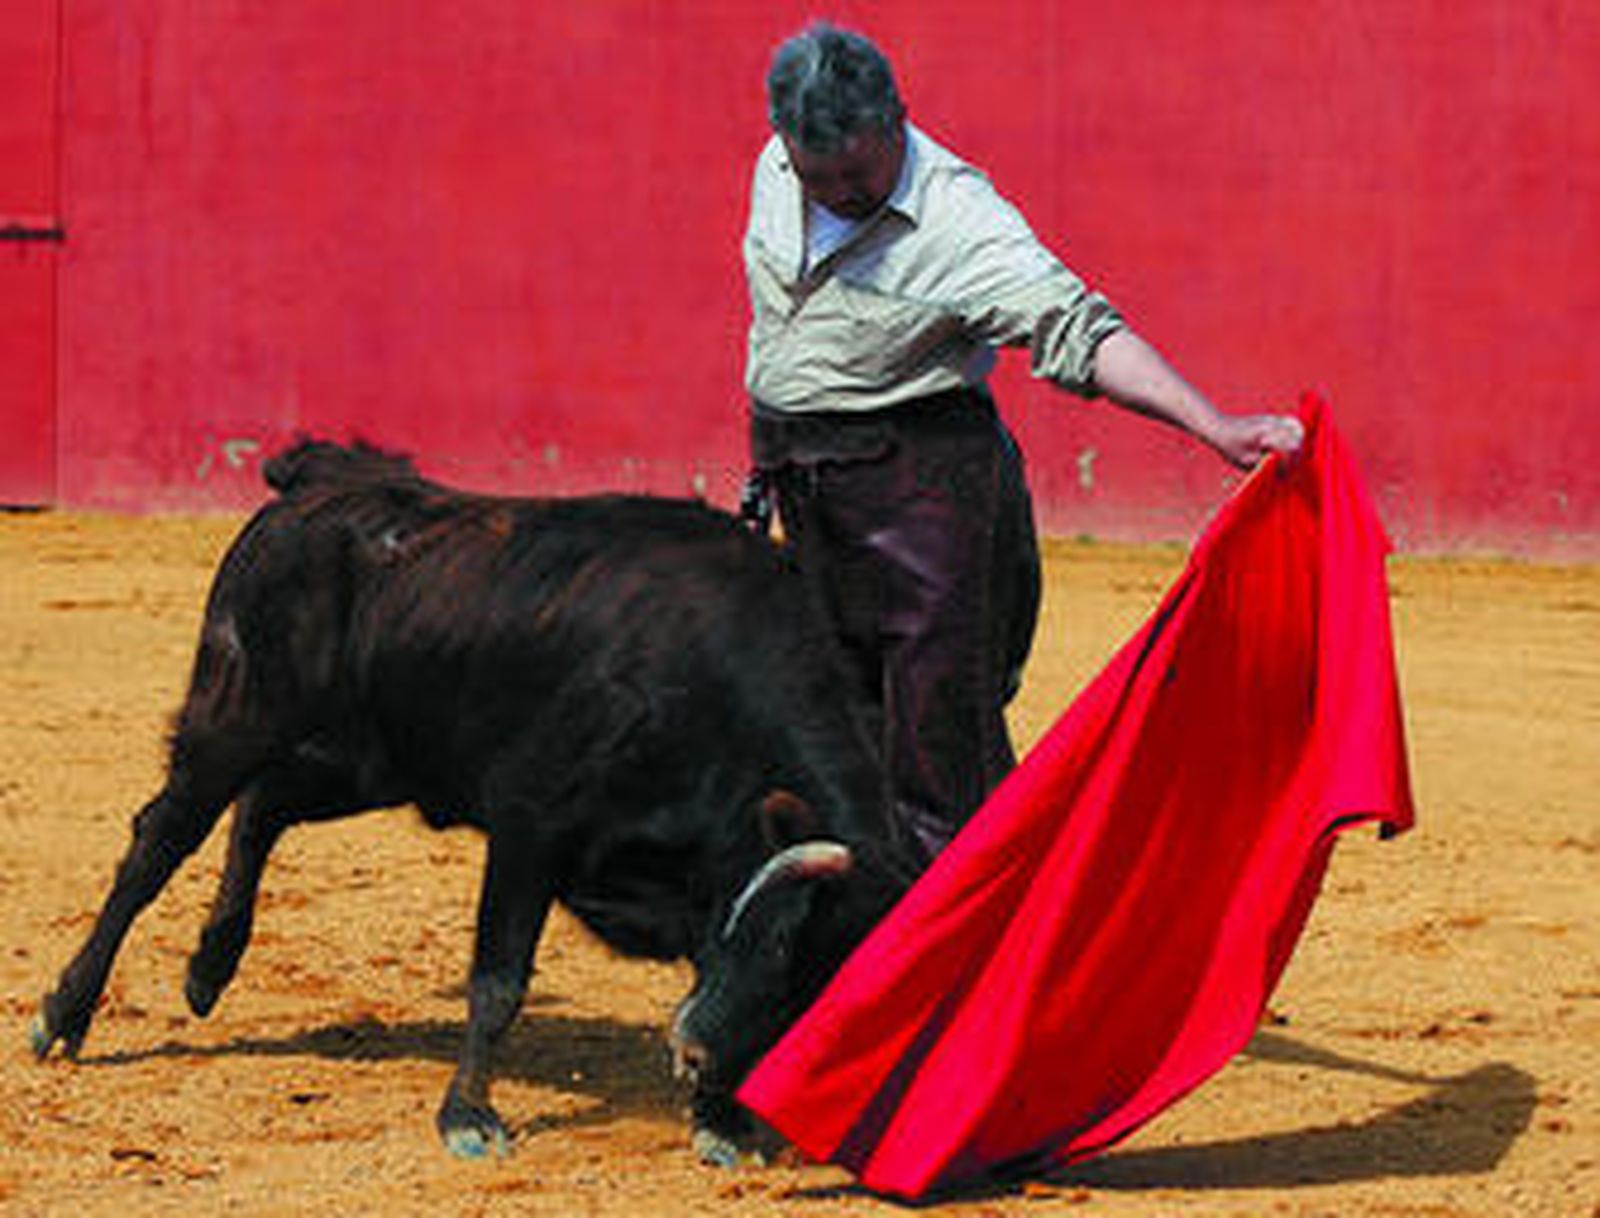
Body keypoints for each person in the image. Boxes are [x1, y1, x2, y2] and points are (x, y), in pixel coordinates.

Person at [741, 23, 1304, 863]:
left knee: (938, 755)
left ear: (898, 120)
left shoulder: (959, 221)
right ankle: (900, 945)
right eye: (820, 177)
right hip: (806, 486)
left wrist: (1211, 423)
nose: (841, 193)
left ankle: (968, 973)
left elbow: (1078, 327)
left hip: (923, 495)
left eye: (859, 174)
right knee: (835, 730)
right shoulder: (780, 163)